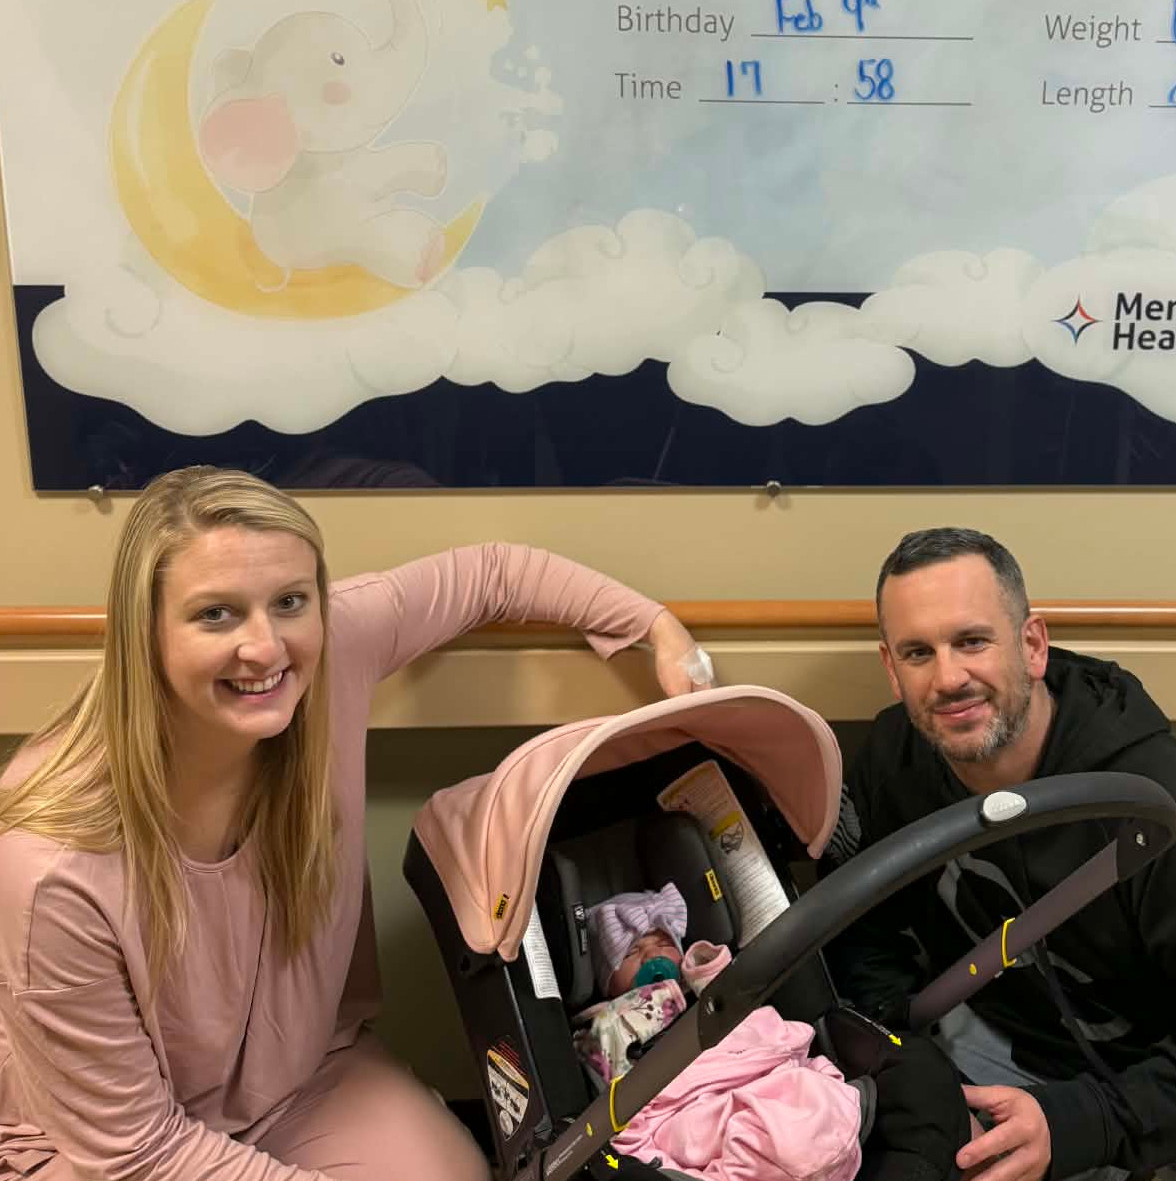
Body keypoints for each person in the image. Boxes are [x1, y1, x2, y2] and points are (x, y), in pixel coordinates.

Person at [0, 466, 710, 1181]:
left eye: (289, 602)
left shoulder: (331, 649)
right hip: (95, 1145)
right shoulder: (51, 865)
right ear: (142, 631)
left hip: (302, 1078)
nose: (265, 648)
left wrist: (656, 627)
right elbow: (137, 1150)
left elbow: (494, 572)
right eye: (214, 613)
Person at [822, 528, 1176, 1181]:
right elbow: (864, 938)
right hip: (1009, 1043)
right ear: (891, 670)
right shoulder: (892, 760)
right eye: (919, 652)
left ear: (1032, 645)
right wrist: (911, 1064)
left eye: (973, 641)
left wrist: (1080, 1122)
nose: (949, 678)